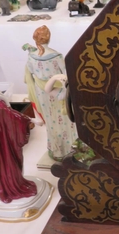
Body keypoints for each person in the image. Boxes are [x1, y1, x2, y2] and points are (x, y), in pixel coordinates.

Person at [22, 25, 78, 161]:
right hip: (57, 90)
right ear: (49, 38)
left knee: (50, 120)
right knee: (65, 119)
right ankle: (68, 149)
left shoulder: (32, 56)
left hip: (42, 92)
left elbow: (30, 72)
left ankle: (56, 148)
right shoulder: (56, 56)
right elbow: (66, 74)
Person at [0, 91, 37, 203]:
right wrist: (29, 120)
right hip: (1, 144)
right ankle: (11, 188)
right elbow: (13, 117)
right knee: (6, 163)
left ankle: (2, 189)